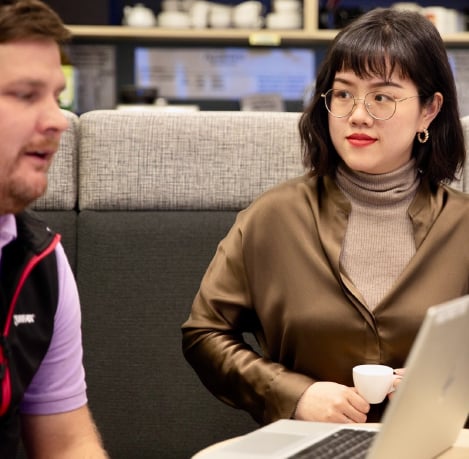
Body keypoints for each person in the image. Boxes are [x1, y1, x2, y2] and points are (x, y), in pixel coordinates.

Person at [182, 7, 469, 427]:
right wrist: (294, 394)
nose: (358, 114)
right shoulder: (273, 218)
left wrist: (451, 381)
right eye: (343, 94)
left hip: (435, 446)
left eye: (382, 97)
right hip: (308, 446)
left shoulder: (462, 226)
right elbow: (204, 334)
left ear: (429, 110)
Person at [0, 0, 108, 457]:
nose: (58, 120)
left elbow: (66, 444)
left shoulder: (39, 262)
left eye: (56, 96)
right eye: (26, 95)